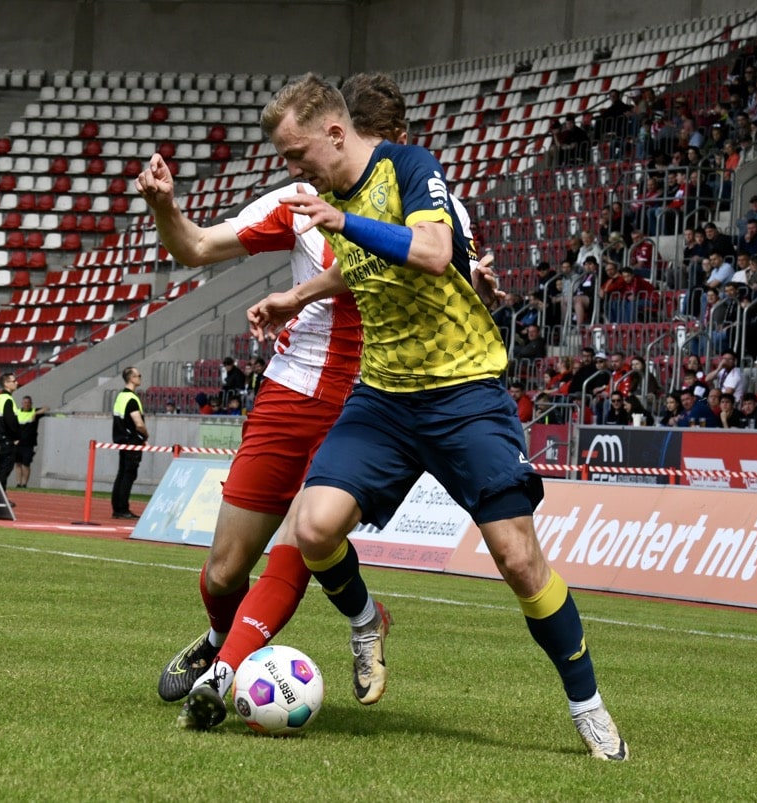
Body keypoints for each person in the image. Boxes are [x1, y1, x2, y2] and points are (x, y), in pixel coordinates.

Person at [242, 74, 626, 759]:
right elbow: (361, 266)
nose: (291, 169)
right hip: (385, 397)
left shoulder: (410, 168)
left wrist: (343, 223)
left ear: (335, 133)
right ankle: (367, 619)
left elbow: (432, 251)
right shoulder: (333, 194)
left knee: (517, 557)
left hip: (463, 394)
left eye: (295, 153)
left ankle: (588, 706)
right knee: (315, 525)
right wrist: (297, 295)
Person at [139, 73, 503, 728]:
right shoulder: (302, 202)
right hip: (289, 392)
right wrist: (165, 203)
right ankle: (230, 638)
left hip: (370, 405)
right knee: (222, 572)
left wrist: (478, 281)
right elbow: (193, 246)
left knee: (299, 543)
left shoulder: (432, 201)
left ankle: (223, 681)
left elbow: (452, 269)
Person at [111, 366, 148, 519]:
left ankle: (117, 507)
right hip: (132, 441)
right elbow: (138, 423)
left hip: (122, 440)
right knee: (129, 475)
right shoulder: (132, 399)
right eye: (138, 375)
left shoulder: (121, 396)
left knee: (121, 474)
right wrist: (145, 435)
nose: (140, 378)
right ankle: (123, 509)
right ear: (131, 378)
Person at [0, 372, 20, 490]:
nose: (16, 383)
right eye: (14, 381)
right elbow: (10, 421)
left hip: (3, 438)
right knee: (5, 468)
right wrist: (16, 437)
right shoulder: (7, 399)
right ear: (7, 384)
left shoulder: (0, 398)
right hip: (8, 439)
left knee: (2, 467)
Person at [15, 395, 49, 487]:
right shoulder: (17, 412)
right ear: (22, 403)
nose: (26, 404)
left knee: (26, 464)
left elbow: (47, 408)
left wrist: (35, 414)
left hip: (29, 444)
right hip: (18, 443)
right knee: (18, 464)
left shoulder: (34, 411)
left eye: (28, 403)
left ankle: (24, 484)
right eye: (24, 402)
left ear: (31, 404)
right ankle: (18, 483)